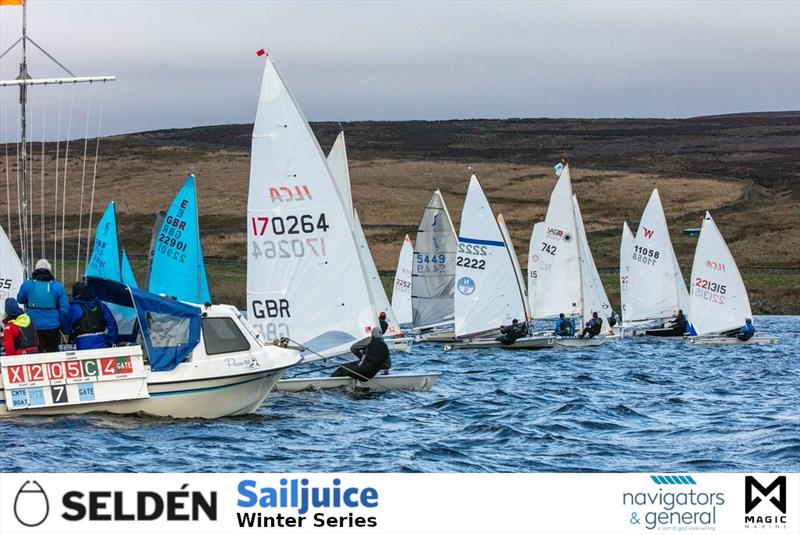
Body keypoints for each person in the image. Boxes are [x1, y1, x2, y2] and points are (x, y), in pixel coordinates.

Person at [16, 259, 69, 353]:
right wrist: (63, 326)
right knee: (53, 353)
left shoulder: (28, 284)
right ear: (49, 270)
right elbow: (65, 309)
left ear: (35, 269)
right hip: (52, 325)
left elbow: (20, 299)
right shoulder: (57, 286)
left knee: (36, 353)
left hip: (33, 325)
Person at [63, 282, 118, 350]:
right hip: (102, 342)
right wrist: (111, 341)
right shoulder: (101, 305)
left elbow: (66, 329)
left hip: (83, 344)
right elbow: (112, 324)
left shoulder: (74, 308)